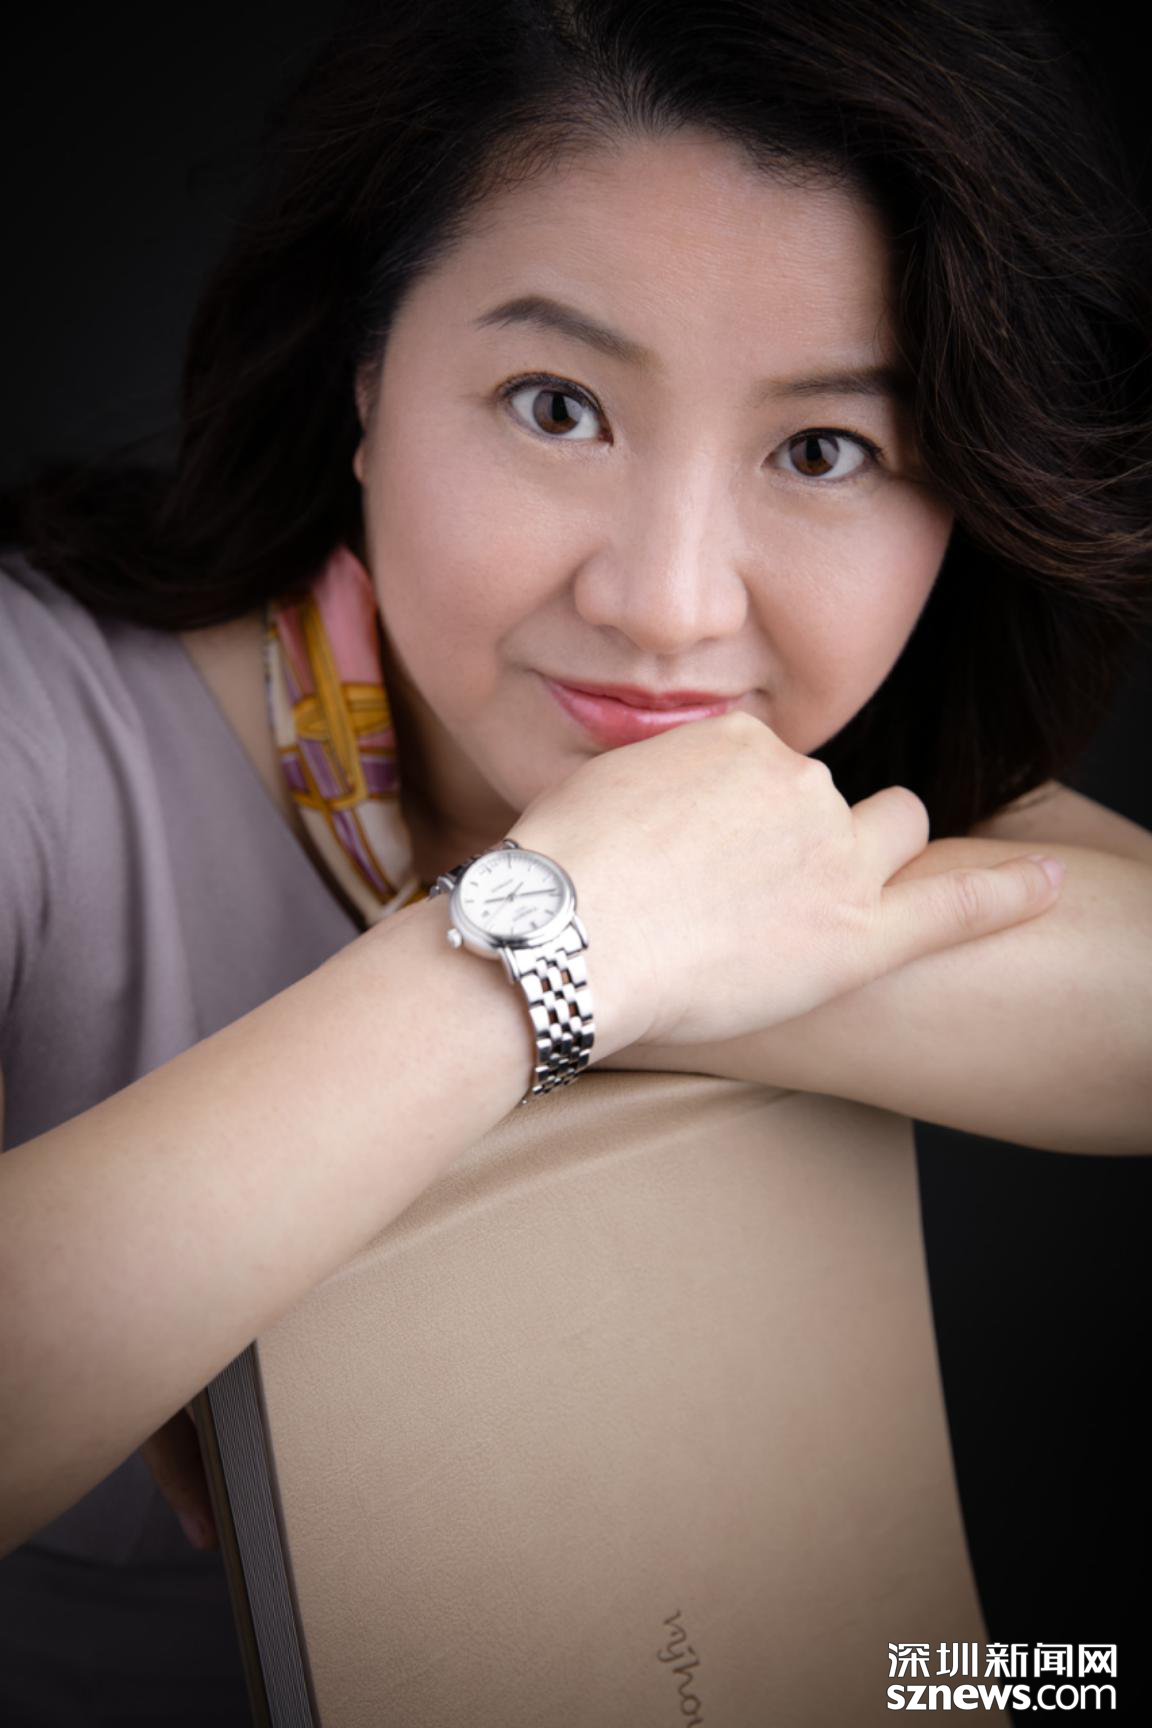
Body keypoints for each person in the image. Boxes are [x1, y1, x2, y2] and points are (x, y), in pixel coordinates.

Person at [2, 0, 1150, 1721]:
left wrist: (636, 952)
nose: (667, 606)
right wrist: (542, 957)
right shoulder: (36, 731)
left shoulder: (815, 806)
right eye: (556, 407)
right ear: (368, 379)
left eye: (824, 452)